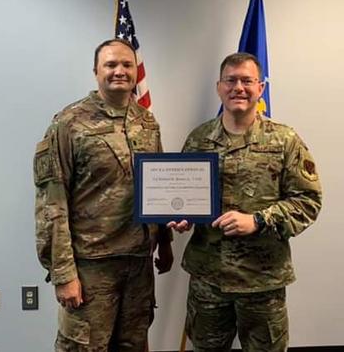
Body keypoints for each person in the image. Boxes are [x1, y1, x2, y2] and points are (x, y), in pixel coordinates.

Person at [168, 52, 322, 352]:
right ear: (219, 87)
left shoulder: (284, 140)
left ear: (260, 88)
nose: (238, 87)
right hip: (208, 279)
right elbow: (184, 194)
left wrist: (258, 220)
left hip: (262, 281)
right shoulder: (198, 140)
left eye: (247, 81)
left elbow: (308, 201)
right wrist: (183, 216)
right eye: (231, 80)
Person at [34, 38, 173, 352]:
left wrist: (164, 241)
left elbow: (159, 186)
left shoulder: (146, 122)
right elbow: (51, 204)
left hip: (138, 263)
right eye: (110, 65)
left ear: (135, 72)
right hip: (91, 265)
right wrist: (63, 274)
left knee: (133, 344)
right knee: (84, 347)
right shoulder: (69, 124)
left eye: (126, 64)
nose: (119, 71)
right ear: (96, 71)